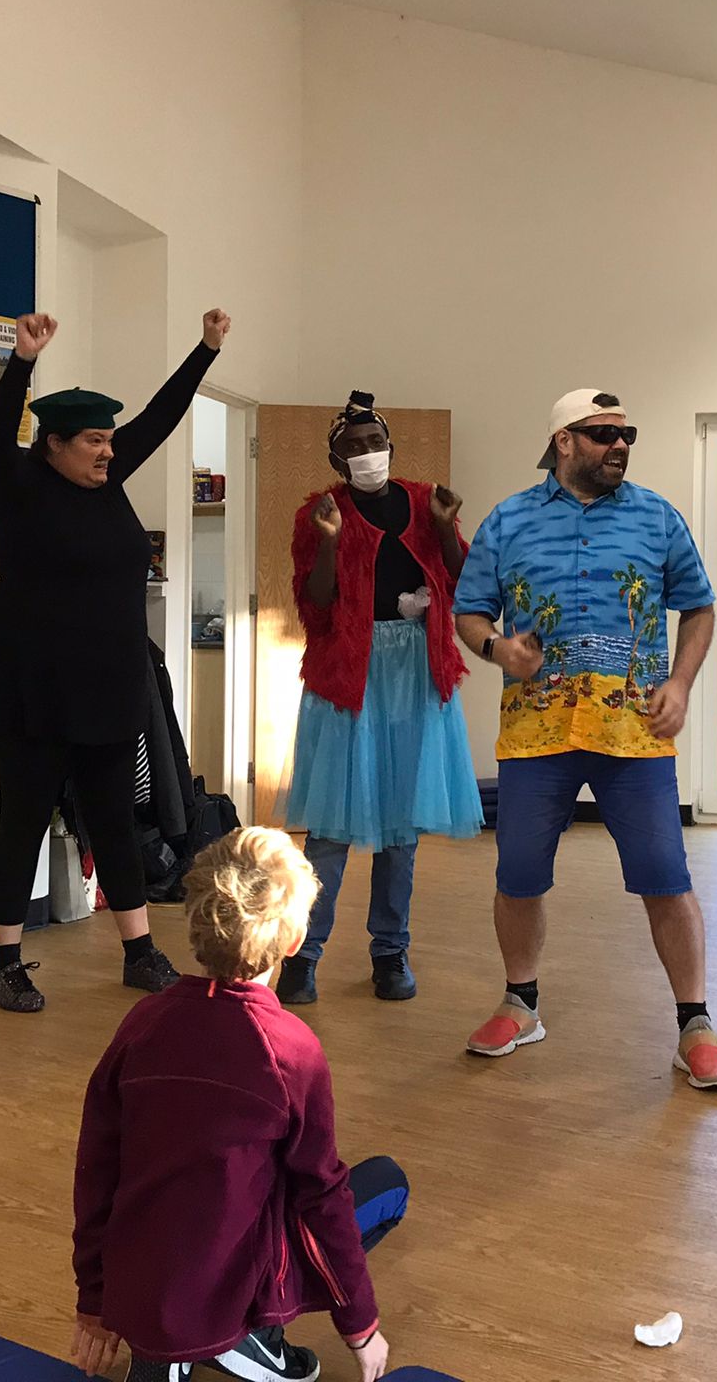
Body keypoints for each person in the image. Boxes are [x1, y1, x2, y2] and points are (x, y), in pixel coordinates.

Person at [453, 389, 717, 1090]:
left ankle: (694, 1024)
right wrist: (495, 649)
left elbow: (698, 608)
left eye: (626, 434)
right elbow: (468, 610)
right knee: (517, 875)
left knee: (666, 878)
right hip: (535, 731)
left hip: (634, 731)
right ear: (564, 442)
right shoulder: (508, 519)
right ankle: (521, 1002)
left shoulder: (656, 516)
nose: (619, 444)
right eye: (602, 433)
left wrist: (682, 683)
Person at [0, 307, 232, 1012]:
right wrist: (22, 361)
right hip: (28, 683)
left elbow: (161, 414)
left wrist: (205, 351)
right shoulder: (21, 486)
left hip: (108, 682)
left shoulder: (109, 481)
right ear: (52, 444)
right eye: (92, 440)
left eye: (109, 440)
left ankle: (140, 950)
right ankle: (5, 962)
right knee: (23, 816)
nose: (108, 451)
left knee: (114, 814)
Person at [72, 828, 400, 1382]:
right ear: (295, 941)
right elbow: (320, 1195)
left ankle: (168, 1344)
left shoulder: (140, 1025)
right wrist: (360, 1326)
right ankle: (247, 1336)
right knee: (387, 1184)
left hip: (141, 1288)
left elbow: (96, 1171)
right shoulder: (292, 1052)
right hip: (229, 1288)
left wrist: (95, 1300)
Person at [278, 391, 483, 1007]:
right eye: (355, 447)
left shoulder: (424, 502)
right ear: (337, 460)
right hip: (350, 672)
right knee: (331, 830)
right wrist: (333, 543)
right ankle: (301, 957)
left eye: (376, 443)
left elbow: (459, 579)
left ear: (390, 447)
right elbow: (313, 601)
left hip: (416, 670)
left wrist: (446, 528)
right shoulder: (319, 512)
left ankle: (390, 953)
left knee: (402, 827)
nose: (369, 454)